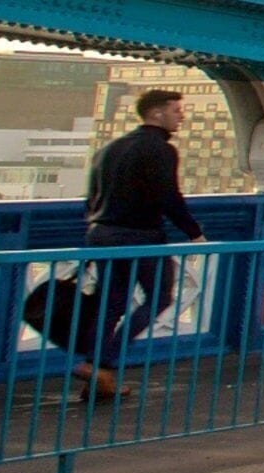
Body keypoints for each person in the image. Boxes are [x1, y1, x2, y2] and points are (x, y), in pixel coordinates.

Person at [79, 88, 207, 401]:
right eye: (176, 110)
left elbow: (90, 197)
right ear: (156, 113)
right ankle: (103, 362)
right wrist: (194, 233)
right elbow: (169, 197)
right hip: (140, 236)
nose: (182, 115)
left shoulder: (110, 147)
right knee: (160, 297)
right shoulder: (160, 150)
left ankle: (99, 378)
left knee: (111, 302)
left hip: (101, 233)